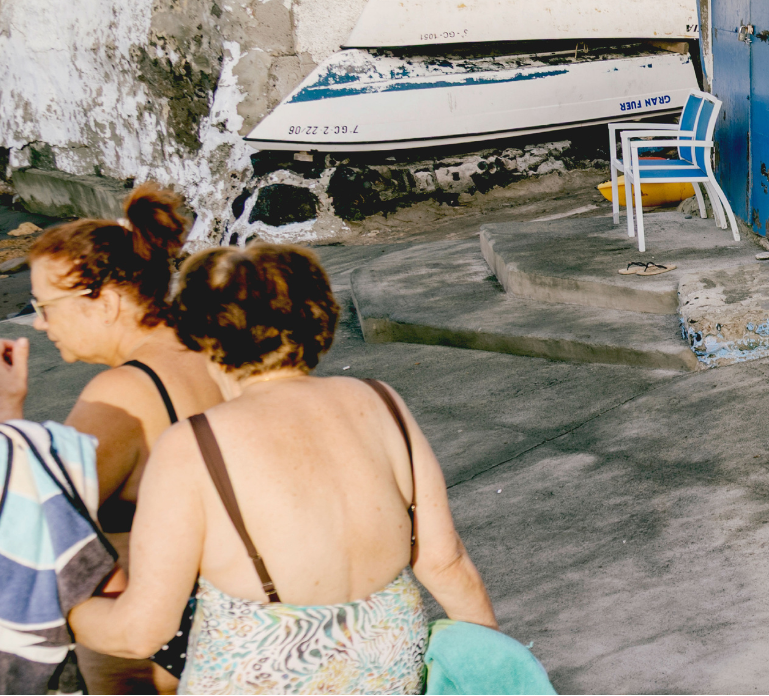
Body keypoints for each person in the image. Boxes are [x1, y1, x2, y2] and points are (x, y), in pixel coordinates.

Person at [67, 243, 497, 694]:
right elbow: (444, 562)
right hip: (389, 676)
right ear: (318, 317)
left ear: (200, 332)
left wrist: (61, 612)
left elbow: (143, 631)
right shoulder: (381, 402)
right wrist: (494, 670)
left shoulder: (192, 446)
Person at [0, 184, 223, 694]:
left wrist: (6, 420)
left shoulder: (123, 392)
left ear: (102, 303)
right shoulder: (208, 351)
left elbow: (33, 526)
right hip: (221, 622)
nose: (39, 322)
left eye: (46, 304)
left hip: (151, 659)